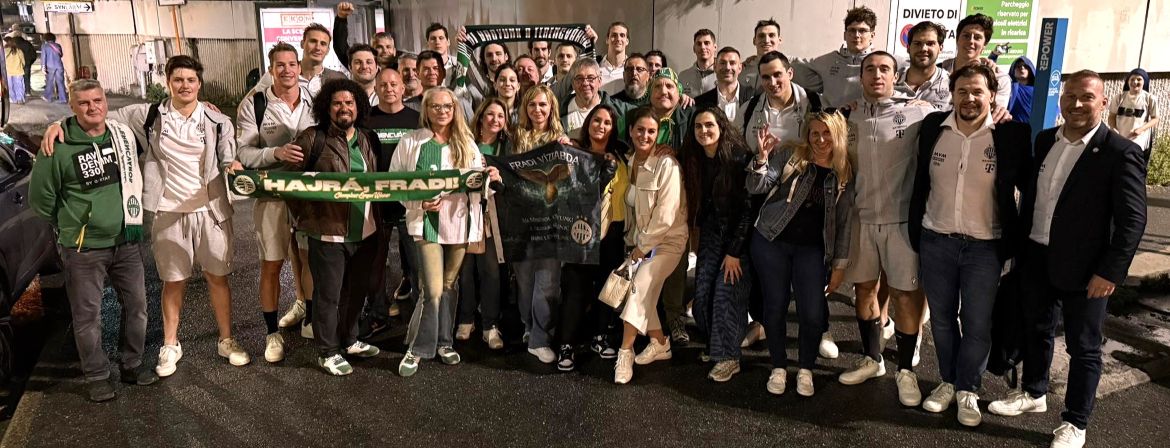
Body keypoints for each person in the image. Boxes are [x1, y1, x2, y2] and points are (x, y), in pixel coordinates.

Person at [44, 55, 246, 376]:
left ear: (199, 84)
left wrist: (233, 165)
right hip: (167, 210)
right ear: (168, 83)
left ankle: (227, 339)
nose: (184, 86)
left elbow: (227, 156)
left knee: (217, 277)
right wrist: (58, 124)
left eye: (191, 80)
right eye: (178, 80)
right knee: (173, 280)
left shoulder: (218, 120)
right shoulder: (148, 114)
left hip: (211, 211)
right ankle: (170, 344)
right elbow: (98, 114)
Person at [988, 70, 1147, 448]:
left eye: (1086, 97)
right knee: (1036, 330)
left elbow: (1133, 220)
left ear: (1103, 102)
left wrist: (1111, 272)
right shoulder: (1046, 140)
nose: (1076, 104)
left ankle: (1076, 422)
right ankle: (1034, 392)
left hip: (1087, 270)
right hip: (1037, 255)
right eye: (1070, 96)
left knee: (1084, 348)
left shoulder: (1120, 152)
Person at [908, 65, 1032, 426]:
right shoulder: (934, 127)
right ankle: (948, 381)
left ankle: (968, 389)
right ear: (952, 94)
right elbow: (920, 181)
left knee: (977, 323)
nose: (969, 98)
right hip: (936, 240)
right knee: (942, 320)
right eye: (962, 91)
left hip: (985, 247)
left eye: (978, 91)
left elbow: (1029, 189)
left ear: (992, 95)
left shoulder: (1011, 134)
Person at [29, 79, 159, 402]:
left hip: (126, 240)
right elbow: (40, 200)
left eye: (98, 100)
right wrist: (72, 225)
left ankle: (132, 364)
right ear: (72, 107)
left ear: (105, 102)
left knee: (138, 307)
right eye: (84, 103)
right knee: (88, 317)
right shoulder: (57, 146)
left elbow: (162, 113)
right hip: (83, 249)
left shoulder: (121, 134)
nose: (93, 107)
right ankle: (97, 376)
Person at [837, 52, 934, 407]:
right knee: (864, 290)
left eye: (884, 69)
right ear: (861, 76)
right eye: (870, 69)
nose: (877, 75)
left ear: (896, 76)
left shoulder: (920, 113)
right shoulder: (847, 117)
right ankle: (872, 359)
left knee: (906, 295)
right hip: (862, 219)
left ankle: (905, 370)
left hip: (901, 221)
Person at [747, 109, 855, 396]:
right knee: (775, 306)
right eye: (814, 133)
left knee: (812, 312)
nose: (820, 139)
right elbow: (756, 186)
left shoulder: (844, 171)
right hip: (771, 241)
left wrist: (839, 265)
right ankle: (778, 367)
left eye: (827, 133)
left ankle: (805, 368)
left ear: (838, 134)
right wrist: (761, 159)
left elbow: (844, 223)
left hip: (812, 250)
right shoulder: (792, 154)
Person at [393, 87, 499, 377]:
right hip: (426, 224)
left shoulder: (467, 143)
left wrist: (490, 177)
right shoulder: (411, 141)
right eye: (436, 106)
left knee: (449, 287)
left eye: (447, 107)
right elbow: (396, 183)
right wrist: (419, 202)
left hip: (459, 225)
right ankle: (418, 348)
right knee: (432, 290)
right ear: (426, 110)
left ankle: (444, 342)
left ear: (455, 110)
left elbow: (478, 184)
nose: (442, 111)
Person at [282, 79, 383, 375]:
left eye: (349, 103)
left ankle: (350, 339)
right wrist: (305, 217)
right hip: (328, 233)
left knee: (356, 291)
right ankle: (327, 352)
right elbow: (287, 182)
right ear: (326, 107)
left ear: (358, 107)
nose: (343, 108)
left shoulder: (368, 138)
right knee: (328, 295)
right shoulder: (313, 138)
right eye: (337, 103)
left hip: (365, 230)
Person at [235, 43, 317, 362]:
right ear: (271, 70)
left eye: (292, 64)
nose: (287, 70)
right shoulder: (255, 104)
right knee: (272, 264)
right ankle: (272, 334)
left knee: (309, 259)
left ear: (299, 67)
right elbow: (244, 152)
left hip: (308, 194)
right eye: (280, 65)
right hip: (272, 195)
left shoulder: (313, 99)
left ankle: (309, 315)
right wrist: (276, 153)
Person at [613, 106, 689, 384]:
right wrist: (633, 244)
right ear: (631, 131)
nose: (645, 135)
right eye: (640, 130)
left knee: (639, 286)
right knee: (644, 294)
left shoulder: (667, 164)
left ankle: (625, 351)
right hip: (640, 242)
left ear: (658, 134)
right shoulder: (628, 162)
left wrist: (641, 249)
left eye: (651, 131)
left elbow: (665, 216)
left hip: (668, 242)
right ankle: (660, 343)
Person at [682, 106, 753, 383]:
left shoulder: (738, 157)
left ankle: (728, 357)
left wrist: (735, 252)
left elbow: (748, 210)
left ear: (721, 126)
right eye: (698, 126)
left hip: (738, 239)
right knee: (702, 296)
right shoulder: (695, 157)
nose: (704, 131)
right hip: (712, 234)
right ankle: (716, 345)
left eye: (709, 125)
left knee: (726, 293)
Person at [560, 104, 629, 369]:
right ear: (588, 123)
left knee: (607, 287)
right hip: (582, 230)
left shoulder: (621, 154)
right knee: (576, 289)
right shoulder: (574, 153)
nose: (601, 126)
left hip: (614, 230)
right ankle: (567, 344)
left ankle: (600, 336)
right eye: (596, 120)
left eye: (607, 122)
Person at [510, 84, 571, 363]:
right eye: (532, 104)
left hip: (551, 222)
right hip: (521, 222)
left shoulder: (561, 140)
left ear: (551, 108)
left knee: (547, 282)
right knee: (524, 282)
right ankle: (529, 326)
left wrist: (569, 153)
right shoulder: (515, 138)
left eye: (543, 104)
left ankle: (540, 338)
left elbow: (571, 179)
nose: (537, 110)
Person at [362, 67, 422, 334]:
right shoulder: (365, 119)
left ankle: (421, 316)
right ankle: (377, 313)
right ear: (375, 88)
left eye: (394, 84)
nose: (389, 89)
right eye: (383, 85)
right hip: (376, 203)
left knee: (417, 263)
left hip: (409, 203)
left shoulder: (416, 119)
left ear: (403, 88)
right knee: (375, 263)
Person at [456, 97, 509, 350]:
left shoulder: (508, 147)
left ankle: (490, 325)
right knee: (465, 270)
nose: (495, 120)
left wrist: (499, 178)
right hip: (464, 215)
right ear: (480, 117)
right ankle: (466, 318)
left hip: (494, 218)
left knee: (491, 271)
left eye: (500, 116)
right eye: (490, 114)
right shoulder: (464, 143)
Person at [792, 6, 877, 108]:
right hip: (831, 117)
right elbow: (792, 65)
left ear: (872, 35)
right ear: (845, 35)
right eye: (852, 30)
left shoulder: (880, 63)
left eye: (862, 30)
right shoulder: (829, 60)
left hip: (865, 117)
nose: (856, 35)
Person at [251, 23, 347, 99]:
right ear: (302, 44)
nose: (318, 47)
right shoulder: (278, 74)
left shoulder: (338, 79)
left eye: (323, 44)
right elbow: (247, 104)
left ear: (328, 50)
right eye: (313, 41)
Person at [939, 14, 1011, 108]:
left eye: (977, 37)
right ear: (957, 40)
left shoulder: (999, 79)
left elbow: (996, 113)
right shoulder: (937, 71)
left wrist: (990, 81)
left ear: (984, 45)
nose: (971, 41)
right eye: (966, 36)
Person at [894, 21, 951, 110]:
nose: (923, 48)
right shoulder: (890, 80)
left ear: (940, 48)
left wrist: (932, 112)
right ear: (908, 48)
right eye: (917, 43)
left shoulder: (951, 84)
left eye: (930, 44)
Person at [1108, 68, 1159, 158]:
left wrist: (1141, 129)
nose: (1135, 82)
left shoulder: (1150, 99)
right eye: (1132, 79)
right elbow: (1111, 116)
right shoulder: (1119, 98)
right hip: (1120, 138)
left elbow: (1155, 118)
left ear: (1145, 82)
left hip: (1137, 140)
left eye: (1139, 79)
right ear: (1128, 81)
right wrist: (1113, 128)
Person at [559, 58, 613, 139]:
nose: (585, 83)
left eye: (590, 78)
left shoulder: (613, 110)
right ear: (573, 83)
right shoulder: (560, 111)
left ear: (599, 81)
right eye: (579, 78)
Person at [695, 47, 751, 122]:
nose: (727, 67)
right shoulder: (701, 102)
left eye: (732, 63)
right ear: (715, 67)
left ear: (740, 68)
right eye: (722, 63)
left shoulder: (753, 98)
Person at [333, 2, 396, 68]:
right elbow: (341, 48)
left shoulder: (401, 68)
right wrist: (341, 19)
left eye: (388, 47)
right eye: (379, 47)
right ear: (371, 51)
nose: (385, 51)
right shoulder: (362, 68)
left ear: (394, 51)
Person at [740, 19, 782, 95]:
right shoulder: (741, 70)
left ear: (779, 40)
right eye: (761, 36)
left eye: (771, 35)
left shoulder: (792, 65)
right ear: (754, 41)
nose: (766, 40)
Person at [679, 29, 717, 97]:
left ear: (715, 47)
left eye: (706, 43)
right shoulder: (683, 77)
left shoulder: (724, 75)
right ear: (694, 48)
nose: (702, 47)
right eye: (699, 44)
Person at [599, 22, 631, 96]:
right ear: (607, 40)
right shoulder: (596, 65)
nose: (618, 39)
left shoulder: (633, 69)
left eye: (622, 35)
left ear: (627, 41)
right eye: (614, 35)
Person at [1006, 57, 1035, 124]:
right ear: (1013, 71)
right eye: (1018, 66)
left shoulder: (1039, 89)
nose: (1022, 68)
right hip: (1014, 127)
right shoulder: (1008, 88)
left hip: (1036, 127)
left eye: (1025, 66)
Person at [40, 33, 67, 103]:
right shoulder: (58, 45)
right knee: (60, 82)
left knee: (49, 82)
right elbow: (61, 54)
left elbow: (43, 57)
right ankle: (63, 99)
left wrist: (43, 67)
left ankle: (48, 97)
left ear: (45, 39)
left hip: (50, 66)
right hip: (59, 65)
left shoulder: (44, 46)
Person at [4, 37, 26, 103]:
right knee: (19, 85)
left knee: (10, 86)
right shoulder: (19, 50)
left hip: (7, 71)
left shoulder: (3, 51)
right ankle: (20, 99)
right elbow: (23, 62)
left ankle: (13, 99)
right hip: (18, 71)